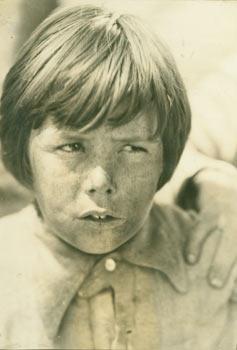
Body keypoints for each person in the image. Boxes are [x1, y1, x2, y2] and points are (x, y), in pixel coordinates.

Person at [0, 4, 236, 349]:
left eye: (132, 150)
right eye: (72, 147)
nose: (101, 180)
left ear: (165, 161)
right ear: (23, 153)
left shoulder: (211, 263)